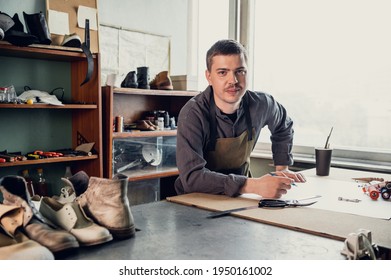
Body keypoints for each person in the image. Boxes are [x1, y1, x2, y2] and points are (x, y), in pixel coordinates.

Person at [174, 39, 306, 198]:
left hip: (241, 197)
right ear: (209, 76)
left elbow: (283, 126)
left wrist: (282, 168)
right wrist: (254, 185)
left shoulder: (262, 104)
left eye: (240, 71)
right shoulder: (192, 114)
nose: (233, 81)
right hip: (197, 199)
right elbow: (192, 178)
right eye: (223, 72)